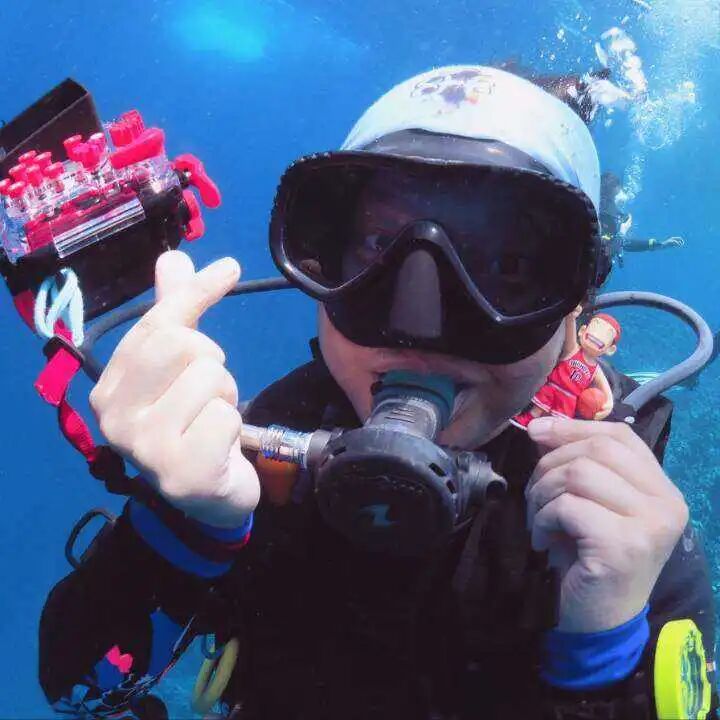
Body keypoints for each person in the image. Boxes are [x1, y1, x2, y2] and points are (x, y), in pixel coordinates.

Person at [38, 65, 718, 720]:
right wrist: (187, 529)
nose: (421, 327)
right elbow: (81, 691)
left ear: (574, 308)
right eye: (375, 246)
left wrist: (602, 646)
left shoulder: (623, 525)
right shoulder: (260, 449)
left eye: (507, 267)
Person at [600, 172, 685, 268]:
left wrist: (660, 244)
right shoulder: (600, 220)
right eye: (614, 199)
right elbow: (605, 251)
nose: (618, 208)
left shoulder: (607, 221)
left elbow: (625, 244)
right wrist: (622, 232)